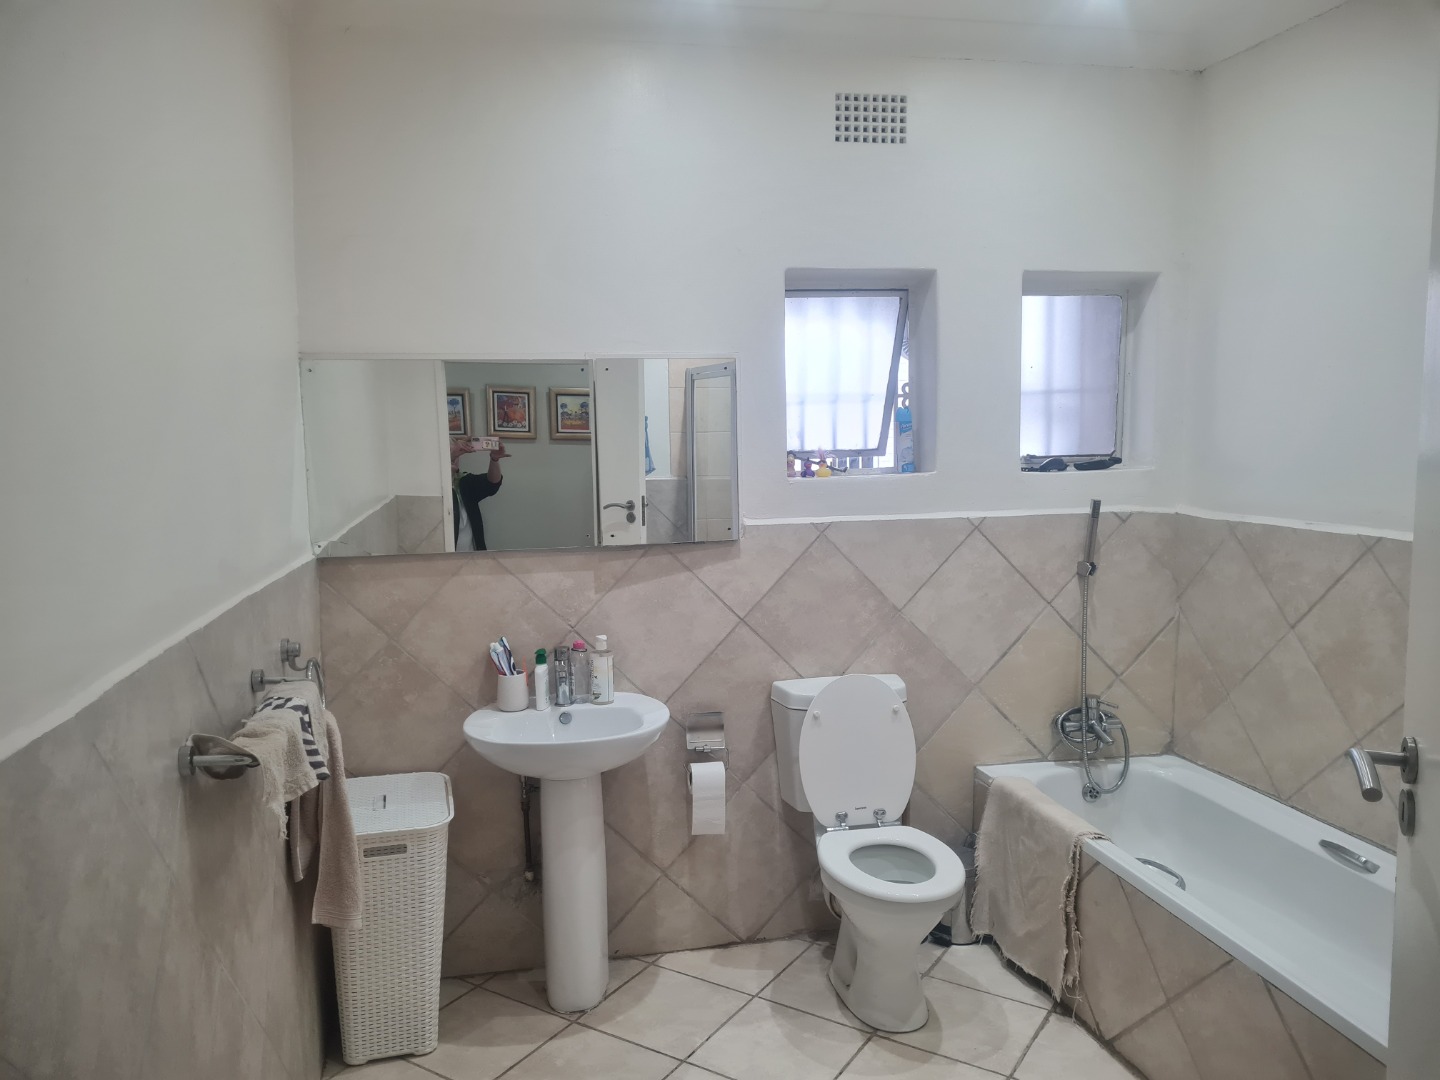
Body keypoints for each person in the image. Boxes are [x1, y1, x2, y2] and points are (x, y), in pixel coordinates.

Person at [451, 437, 510, 551]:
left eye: (458, 454)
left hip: (473, 555)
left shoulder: (464, 482)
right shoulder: (432, 488)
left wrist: (494, 459)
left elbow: (492, 483)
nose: (455, 458)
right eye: (450, 452)